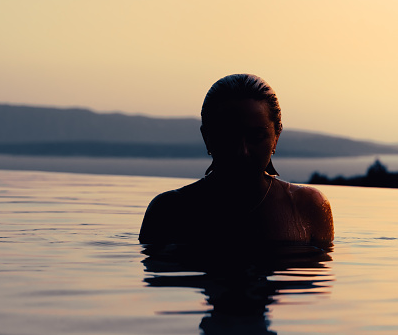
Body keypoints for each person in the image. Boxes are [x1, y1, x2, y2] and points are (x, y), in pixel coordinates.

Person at [139, 74, 333, 245]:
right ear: (207, 137)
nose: (243, 151)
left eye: (256, 137)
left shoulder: (308, 207)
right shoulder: (169, 212)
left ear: (276, 137)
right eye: (228, 138)